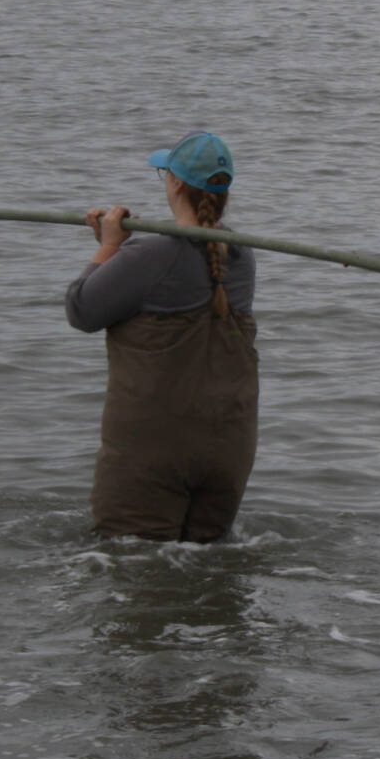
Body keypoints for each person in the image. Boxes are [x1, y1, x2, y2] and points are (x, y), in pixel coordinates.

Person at [65, 131, 259, 542]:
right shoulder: (243, 256)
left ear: (174, 184)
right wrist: (120, 253)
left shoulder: (148, 256)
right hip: (230, 449)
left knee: (132, 569)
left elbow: (81, 309)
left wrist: (109, 249)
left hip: (153, 454)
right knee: (209, 576)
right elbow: (184, 273)